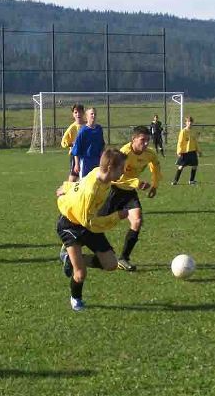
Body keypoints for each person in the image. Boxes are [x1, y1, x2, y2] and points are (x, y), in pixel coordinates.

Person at [56, 148, 129, 311]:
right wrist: (117, 216)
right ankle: (76, 298)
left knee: (111, 264)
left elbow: (79, 184)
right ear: (110, 168)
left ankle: (70, 259)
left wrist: (67, 186)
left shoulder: (98, 173)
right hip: (71, 225)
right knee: (80, 273)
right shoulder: (91, 192)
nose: (123, 172)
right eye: (121, 169)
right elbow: (92, 224)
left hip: (86, 221)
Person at [103, 126, 161, 271]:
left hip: (129, 193)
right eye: (143, 140)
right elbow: (115, 178)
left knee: (137, 221)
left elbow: (156, 167)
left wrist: (154, 185)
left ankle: (123, 258)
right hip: (114, 190)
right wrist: (136, 182)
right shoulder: (124, 153)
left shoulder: (149, 154)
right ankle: (70, 244)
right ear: (133, 139)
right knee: (95, 224)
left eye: (148, 140)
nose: (146, 143)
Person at [71, 107, 105, 179]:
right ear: (87, 116)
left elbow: (102, 146)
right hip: (86, 161)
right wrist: (76, 164)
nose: (93, 115)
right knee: (84, 183)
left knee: (96, 182)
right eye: (91, 114)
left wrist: (103, 159)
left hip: (97, 161)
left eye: (95, 114)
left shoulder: (99, 129)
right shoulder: (83, 131)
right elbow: (76, 149)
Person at [172, 116, 200, 185]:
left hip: (193, 151)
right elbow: (180, 142)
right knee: (181, 166)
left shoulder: (193, 131)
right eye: (188, 122)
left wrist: (199, 150)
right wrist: (179, 151)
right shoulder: (183, 131)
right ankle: (175, 180)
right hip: (185, 151)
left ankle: (191, 180)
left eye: (191, 122)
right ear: (186, 123)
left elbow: (195, 141)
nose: (190, 123)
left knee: (195, 165)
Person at [60, 104, 85, 182]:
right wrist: (72, 144)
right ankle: (66, 191)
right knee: (73, 177)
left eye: (80, 112)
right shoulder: (72, 127)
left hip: (86, 154)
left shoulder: (87, 125)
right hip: (75, 154)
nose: (78, 114)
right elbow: (63, 142)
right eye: (76, 112)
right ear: (73, 114)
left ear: (83, 113)